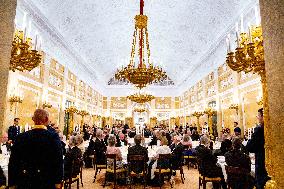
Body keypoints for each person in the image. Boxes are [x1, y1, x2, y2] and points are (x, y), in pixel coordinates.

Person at [8, 109, 63, 189]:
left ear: (33, 119)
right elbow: (58, 160)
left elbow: (13, 161)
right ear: (47, 119)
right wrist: (58, 181)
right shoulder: (53, 137)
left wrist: (12, 183)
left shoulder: (21, 137)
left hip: (25, 180)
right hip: (46, 180)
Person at [246, 108, 270, 189]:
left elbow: (249, 147)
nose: (258, 118)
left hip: (261, 162)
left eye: (259, 116)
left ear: (264, 116)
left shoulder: (259, 130)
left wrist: (250, 139)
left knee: (261, 184)